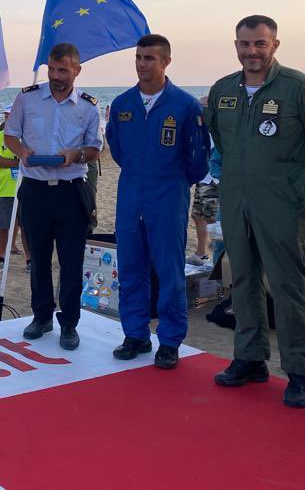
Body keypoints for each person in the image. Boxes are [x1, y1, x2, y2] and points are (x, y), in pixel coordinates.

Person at [204, 15, 305, 408]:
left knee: (287, 285)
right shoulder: (223, 89)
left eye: (260, 44)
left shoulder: (302, 89)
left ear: (275, 45)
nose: (252, 52)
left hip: (283, 203)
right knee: (242, 280)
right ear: (236, 46)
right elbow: (221, 140)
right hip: (236, 199)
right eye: (245, 44)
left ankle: (299, 371)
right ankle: (250, 358)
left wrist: (289, 180)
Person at [105, 34, 209, 369]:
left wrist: (171, 183)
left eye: (149, 58)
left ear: (165, 62)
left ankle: (169, 341)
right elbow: (118, 150)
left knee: (169, 271)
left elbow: (198, 160)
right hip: (130, 196)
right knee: (131, 268)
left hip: (168, 196)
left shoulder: (185, 105)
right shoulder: (122, 104)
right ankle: (135, 334)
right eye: (138, 57)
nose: (142, 63)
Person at [4, 42, 102, 350]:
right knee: (39, 260)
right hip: (35, 190)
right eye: (52, 69)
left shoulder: (88, 106)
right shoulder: (27, 98)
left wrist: (76, 155)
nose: (56, 76)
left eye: (63, 70)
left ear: (77, 70)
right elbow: (10, 134)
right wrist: (21, 151)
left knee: (71, 263)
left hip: (72, 191)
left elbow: (95, 148)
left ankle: (69, 324)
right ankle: (41, 316)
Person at [0, 108, 30, 272]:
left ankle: (29, 259)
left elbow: (32, 159)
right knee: (4, 226)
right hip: (5, 189)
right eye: (6, 117)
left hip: (26, 187)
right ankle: (1, 258)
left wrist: (23, 160)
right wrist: (20, 162)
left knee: (26, 227)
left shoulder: (27, 137)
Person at [189, 96, 219, 266]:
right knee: (197, 215)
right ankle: (201, 253)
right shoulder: (201, 126)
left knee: (212, 218)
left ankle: (218, 256)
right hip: (203, 177)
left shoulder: (217, 128)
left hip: (213, 179)